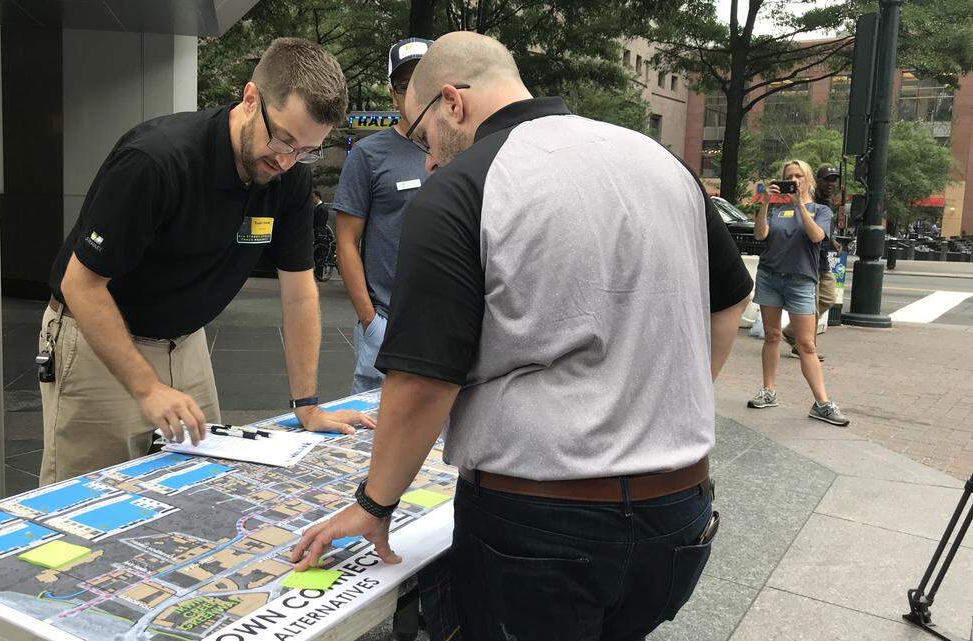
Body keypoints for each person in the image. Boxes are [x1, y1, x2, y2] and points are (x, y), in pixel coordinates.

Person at [291, 31, 753, 641]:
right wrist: (654, 402)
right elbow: (729, 299)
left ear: (452, 102)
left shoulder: (460, 188)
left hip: (538, 528)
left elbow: (423, 380)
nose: (427, 159)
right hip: (679, 513)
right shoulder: (658, 159)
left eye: (424, 135)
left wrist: (375, 505)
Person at [38, 38, 374, 485]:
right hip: (97, 334)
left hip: (185, 340)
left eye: (305, 150)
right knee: (89, 494)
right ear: (250, 98)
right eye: (284, 139)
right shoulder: (156, 161)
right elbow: (81, 285)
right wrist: (147, 386)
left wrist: (307, 404)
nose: (286, 160)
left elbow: (299, 294)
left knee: (201, 483)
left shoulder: (289, 176)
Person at [333, 38, 433, 394]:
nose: (417, 94)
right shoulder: (368, 155)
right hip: (386, 323)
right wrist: (370, 321)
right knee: (374, 438)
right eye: (407, 86)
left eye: (427, 81)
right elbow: (345, 242)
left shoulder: (460, 151)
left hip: (447, 322)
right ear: (393, 94)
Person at [748, 160, 849, 426]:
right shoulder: (775, 210)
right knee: (771, 336)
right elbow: (760, 236)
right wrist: (765, 204)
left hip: (801, 281)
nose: (793, 180)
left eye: (798, 176)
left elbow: (817, 237)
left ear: (808, 180)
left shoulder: (820, 210)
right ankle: (768, 391)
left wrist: (799, 206)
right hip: (770, 277)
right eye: (788, 176)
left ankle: (822, 403)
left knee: (806, 344)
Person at [782, 164, 841, 361]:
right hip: (809, 260)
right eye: (827, 179)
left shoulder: (827, 203)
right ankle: (805, 346)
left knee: (828, 297)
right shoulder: (809, 200)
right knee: (812, 307)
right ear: (817, 180)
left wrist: (832, 241)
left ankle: (792, 332)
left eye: (834, 180)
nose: (831, 184)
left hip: (823, 259)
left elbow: (822, 229)